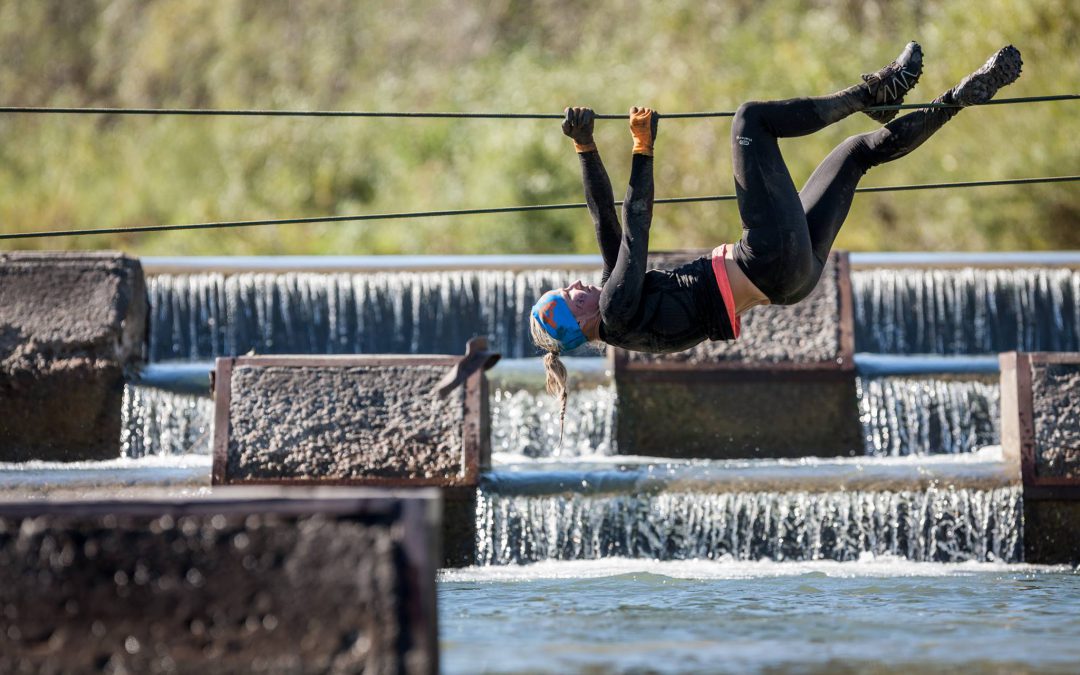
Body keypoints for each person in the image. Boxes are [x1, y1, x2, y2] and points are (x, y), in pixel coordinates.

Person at [529, 42, 1023, 427]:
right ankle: (874, 93)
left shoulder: (620, 312)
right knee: (751, 120)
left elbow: (604, 223)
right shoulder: (615, 310)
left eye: (566, 289)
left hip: (790, 280)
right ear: (580, 327)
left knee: (856, 154)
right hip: (766, 258)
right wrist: (642, 148)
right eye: (570, 301)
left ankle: (957, 99)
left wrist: (586, 147)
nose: (576, 289)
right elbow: (634, 230)